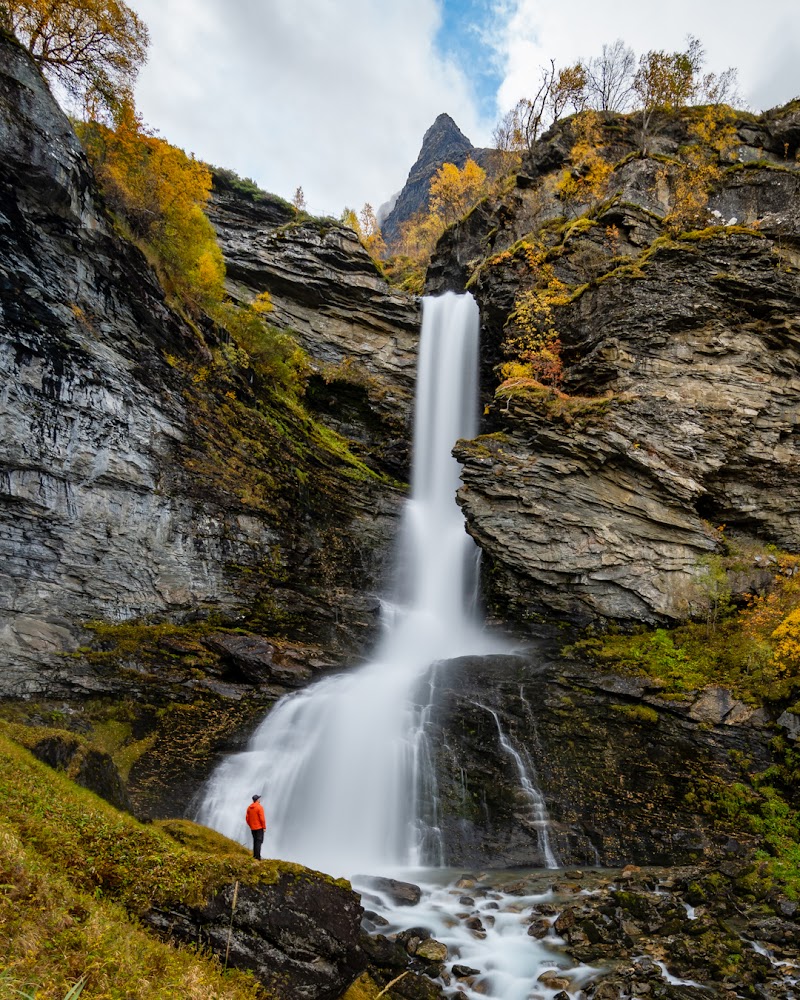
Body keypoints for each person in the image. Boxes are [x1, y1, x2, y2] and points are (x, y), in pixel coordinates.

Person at [245, 793, 266, 860]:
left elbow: (247, 818)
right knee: (259, 841)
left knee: (255, 841)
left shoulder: (249, 808)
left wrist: (251, 825)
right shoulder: (259, 807)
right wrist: (264, 827)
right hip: (259, 828)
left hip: (253, 828)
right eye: (259, 798)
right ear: (257, 800)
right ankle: (258, 857)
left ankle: (255, 855)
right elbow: (262, 818)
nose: (260, 799)